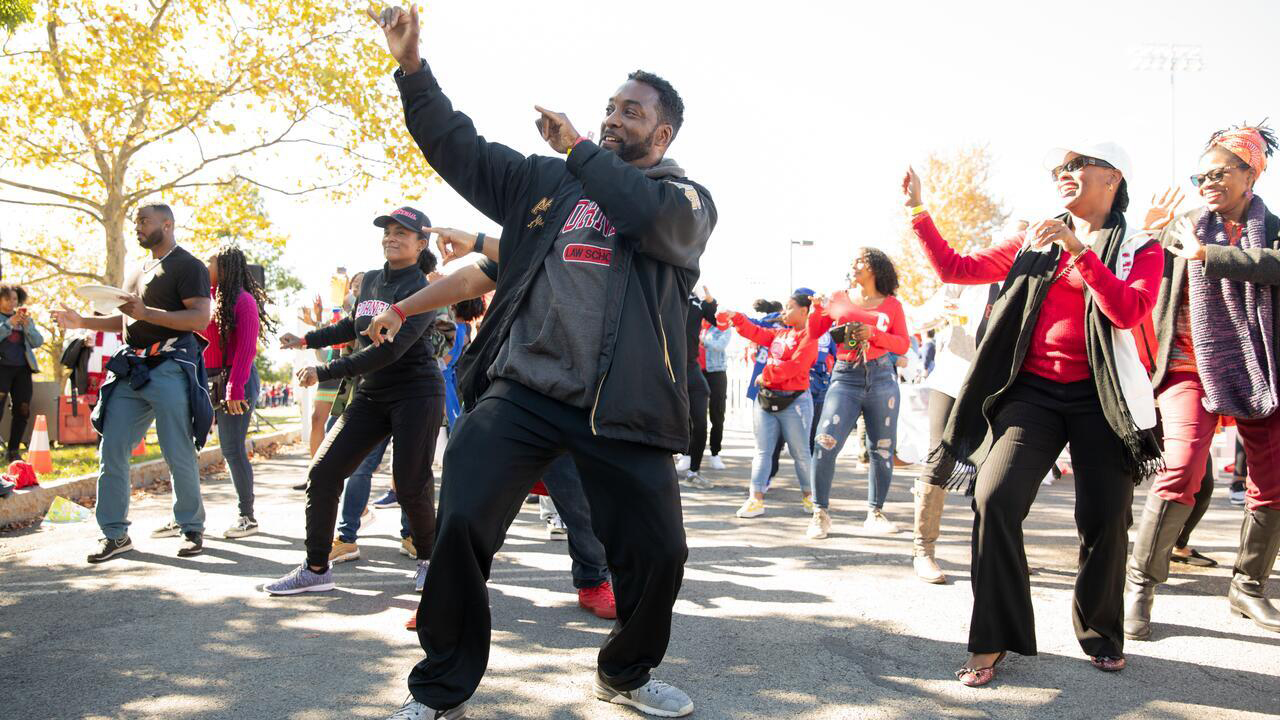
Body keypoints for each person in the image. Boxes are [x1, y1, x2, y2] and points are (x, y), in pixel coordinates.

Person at [362, 6, 714, 717]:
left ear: (663, 134)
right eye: (610, 106)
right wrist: (412, 69)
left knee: (659, 553)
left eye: (632, 112)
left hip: (621, 406)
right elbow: (458, 148)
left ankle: (625, 673)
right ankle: (440, 686)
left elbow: (644, 217)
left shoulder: (685, 201)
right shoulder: (548, 185)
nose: (613, 118)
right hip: (524, 389)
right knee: (462, 520)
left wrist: (580, 147)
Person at [904, 141, 1165, 684]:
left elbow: (1128, 311)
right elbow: (957, 268)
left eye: (1076, 164)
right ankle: (992, 638)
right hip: (1033, 394)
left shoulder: (1140, 246)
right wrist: (918, 211)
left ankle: (1100, 632)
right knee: (994, 497)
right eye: (1057, 169)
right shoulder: (1035, 238)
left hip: (1103, 397)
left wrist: (1081, 252)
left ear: (1112, 177)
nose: (1063, 174)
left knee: (1105, 518)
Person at [1125, 124, 1280, 638]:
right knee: (1182, 467)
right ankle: (1140, 584)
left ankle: (1248, 588)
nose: (1207, 183)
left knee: (1272, 481)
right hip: (1189, 365)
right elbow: (1137, 277)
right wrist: (1145, 236)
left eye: (1218, 173)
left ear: (1251, 174)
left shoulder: (1273, 229)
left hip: (1260, 368)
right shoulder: (1183, 226)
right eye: (1201, 177)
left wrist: (1209, 257)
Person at [262, 206, 444, 598]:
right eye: (387, 231)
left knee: (411, 484)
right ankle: (316, 569)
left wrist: (324, 371)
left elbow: (388, 351)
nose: (391, 238)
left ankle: (431, 563)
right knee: (323, 472)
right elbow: (352, 325)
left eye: (402, 233)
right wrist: (306, 340)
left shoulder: (424, 290)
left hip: (416, 393)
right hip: (372, 393)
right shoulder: (373, 279)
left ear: (421, 243)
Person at [54, 204, 214, 562]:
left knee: (177, 450)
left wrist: (146, 312)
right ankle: (114, 534)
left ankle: (191, 528)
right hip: (132, 369)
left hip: (170, 365)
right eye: (136, 221)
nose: (138, 226)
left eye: (144, 221)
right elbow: (126, 322)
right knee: (111, 448)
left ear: (167, 224)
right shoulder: (136, 271)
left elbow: (199, 318)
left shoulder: (188, 266)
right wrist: (81, 322)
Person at [806, 248, 910, 539]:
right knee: (824, 442)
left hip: (882, 378)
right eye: (853, 261)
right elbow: (814, 333)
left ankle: (875, 512)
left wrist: (873, 334)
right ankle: (820, 513)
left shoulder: (892, 305)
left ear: (875, 267)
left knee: (882, 448)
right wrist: (816, 310)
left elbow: (902, 344)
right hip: (845, 377)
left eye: (861, 261)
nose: (854, 264)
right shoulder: (837, 298)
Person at [907, 279, 1001, 583]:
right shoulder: (970, 276)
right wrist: (942, 310)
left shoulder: (1029, 274)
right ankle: (923, 549)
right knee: (939, 459)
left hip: (1000, 386)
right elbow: (920, 319)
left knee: (999, 469)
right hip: (953, 378)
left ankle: (997, 552)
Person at [723, 292, 821, 519]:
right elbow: (756, 332)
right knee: (762, 451)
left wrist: (765, 376)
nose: (784, 312)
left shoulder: (810, 336)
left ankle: (811, 498)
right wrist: (736, 318)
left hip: (795, 401)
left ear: (804, 311)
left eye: (789, 307)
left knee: (801, 452)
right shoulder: (780, 333)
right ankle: (755, 499)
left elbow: (797, 366)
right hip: (766, 399)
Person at [203, 245, 273, 539]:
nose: (205, 267)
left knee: (232, 449)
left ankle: (247, 516)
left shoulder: (243, 301)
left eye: (210, 263)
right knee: (184, 448)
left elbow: (246, 349)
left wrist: (234, 389)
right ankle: (183, 518)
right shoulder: (205, 299)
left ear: (225, 267)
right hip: (206, 382)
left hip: (236, 381)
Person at [675, 287, 717, 487]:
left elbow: (717, 321)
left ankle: (694, 471)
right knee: (664, 420)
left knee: (700, 423)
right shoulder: (663, 293)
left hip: (691, 367)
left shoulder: (697, 301)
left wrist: (711, 302)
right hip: (664, 369)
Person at [0, 285, 43, 462]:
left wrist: (27, 327)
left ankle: (13, 450)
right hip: (2, 369)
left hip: (23, 369)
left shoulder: (25, 319)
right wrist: (9, 324)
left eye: (15, 299)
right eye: (7, 299)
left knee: (23, 409)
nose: (12, 302)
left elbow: (38, 341)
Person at [701, 315, 732, 470]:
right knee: (692, 415)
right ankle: (688, 454)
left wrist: (702, 341)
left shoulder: (722, 327)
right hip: (695, 372)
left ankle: (715, 453)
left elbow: (720, 345)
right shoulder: (693, 322)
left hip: (716, 373)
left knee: (717, 414)